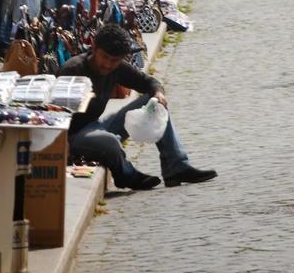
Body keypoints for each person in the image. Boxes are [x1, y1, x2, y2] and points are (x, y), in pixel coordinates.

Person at [60, 24, 218, 190]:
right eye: (104, 57)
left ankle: (176, 166)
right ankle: (127, 176)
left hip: (97, 126)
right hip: (74, 136)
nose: (108, 65)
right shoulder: (73, 70)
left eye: (114, 60)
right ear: (94, 47)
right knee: (110, 141)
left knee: (154, 103)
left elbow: (148, 82)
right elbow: (57, 115)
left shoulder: (117, 68)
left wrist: (158, 94)